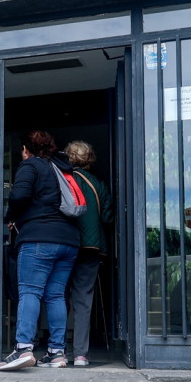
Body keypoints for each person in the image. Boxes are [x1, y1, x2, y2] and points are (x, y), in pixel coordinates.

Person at [0, 131, 80, 371]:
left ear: (25, 149)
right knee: (55, 295)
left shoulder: (30, 165)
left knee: (30, 292)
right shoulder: (63, 168)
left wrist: (11, 216)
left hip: (39, 239)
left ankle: (23, 348)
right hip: (68, 241)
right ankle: (57, 353)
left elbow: (19, 194)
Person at [63, 140, 113, 368]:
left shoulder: (64, 180)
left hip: (66, 243)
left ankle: (58, 350)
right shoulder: (99, 185)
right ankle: (81, 354)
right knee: (83, 299)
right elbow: (107, 218)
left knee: (58, 296)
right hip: (91, 247)